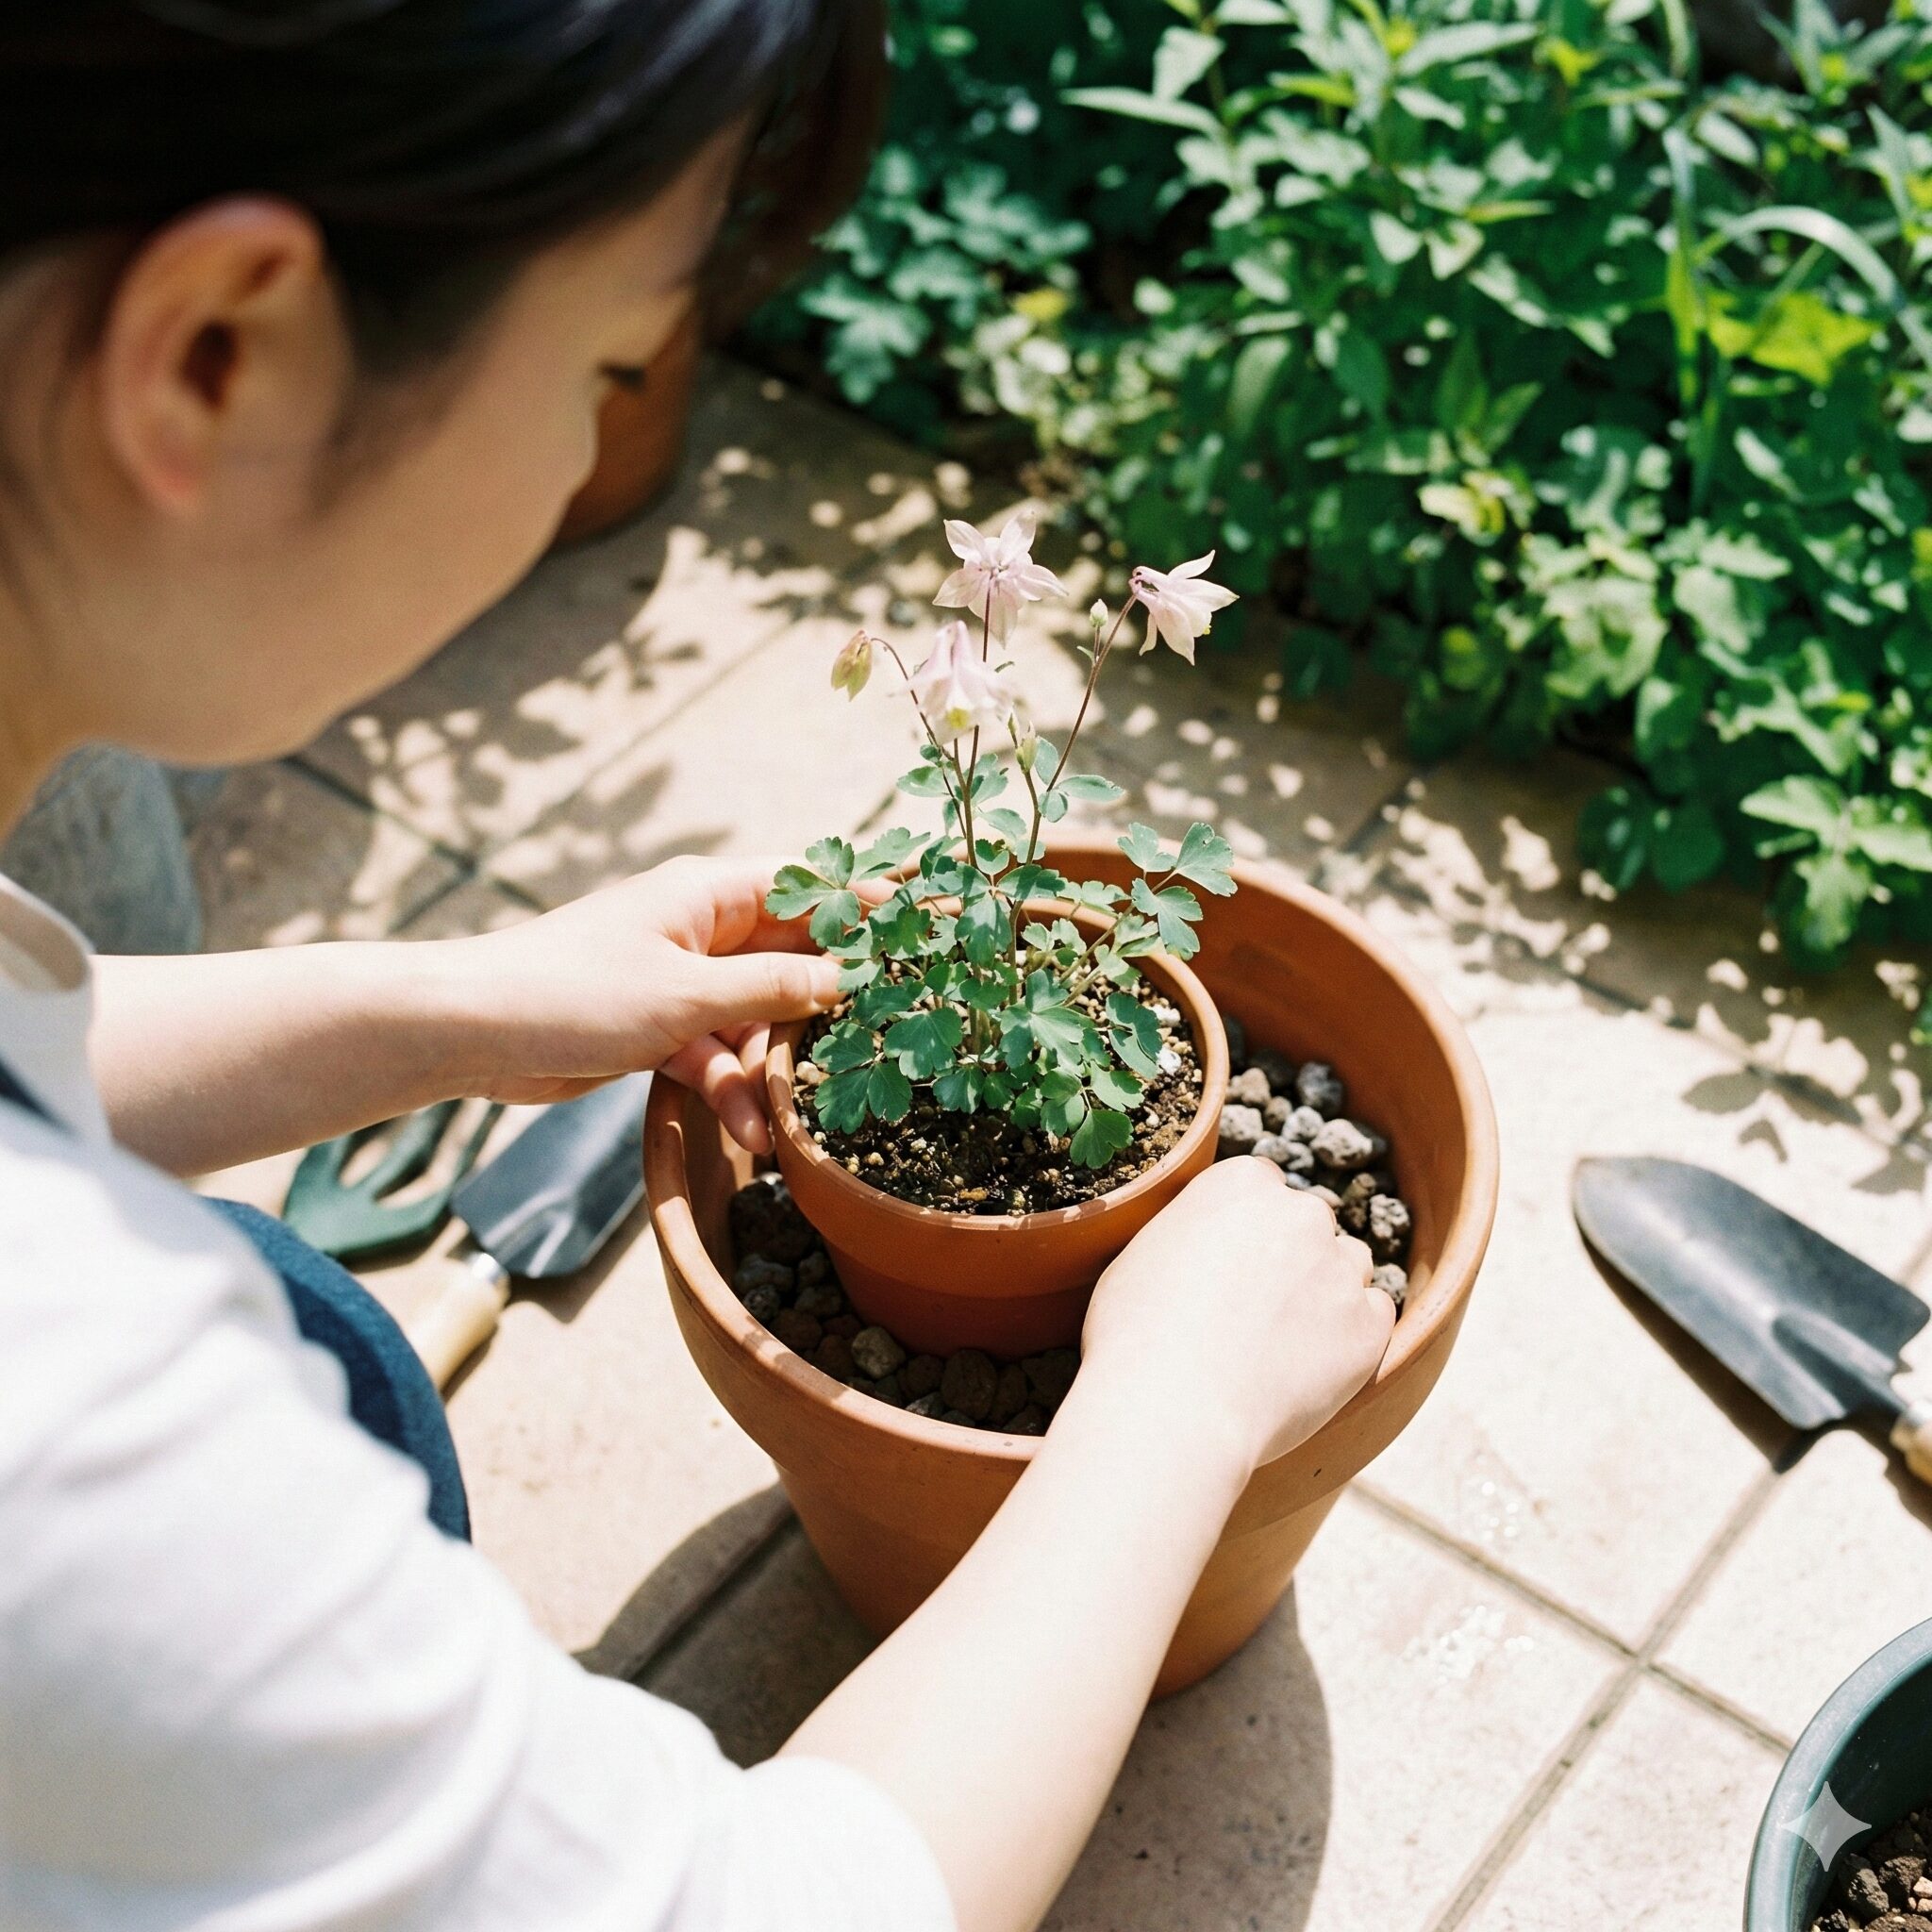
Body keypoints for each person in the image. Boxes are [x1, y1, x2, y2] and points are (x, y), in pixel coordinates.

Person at [0, 6, 1396, 1931]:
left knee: (331, 1334)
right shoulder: (80, 1444)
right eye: (612, 356)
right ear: (219, 354)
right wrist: (1170, 1407)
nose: (606, 438)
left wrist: (453, 1002)